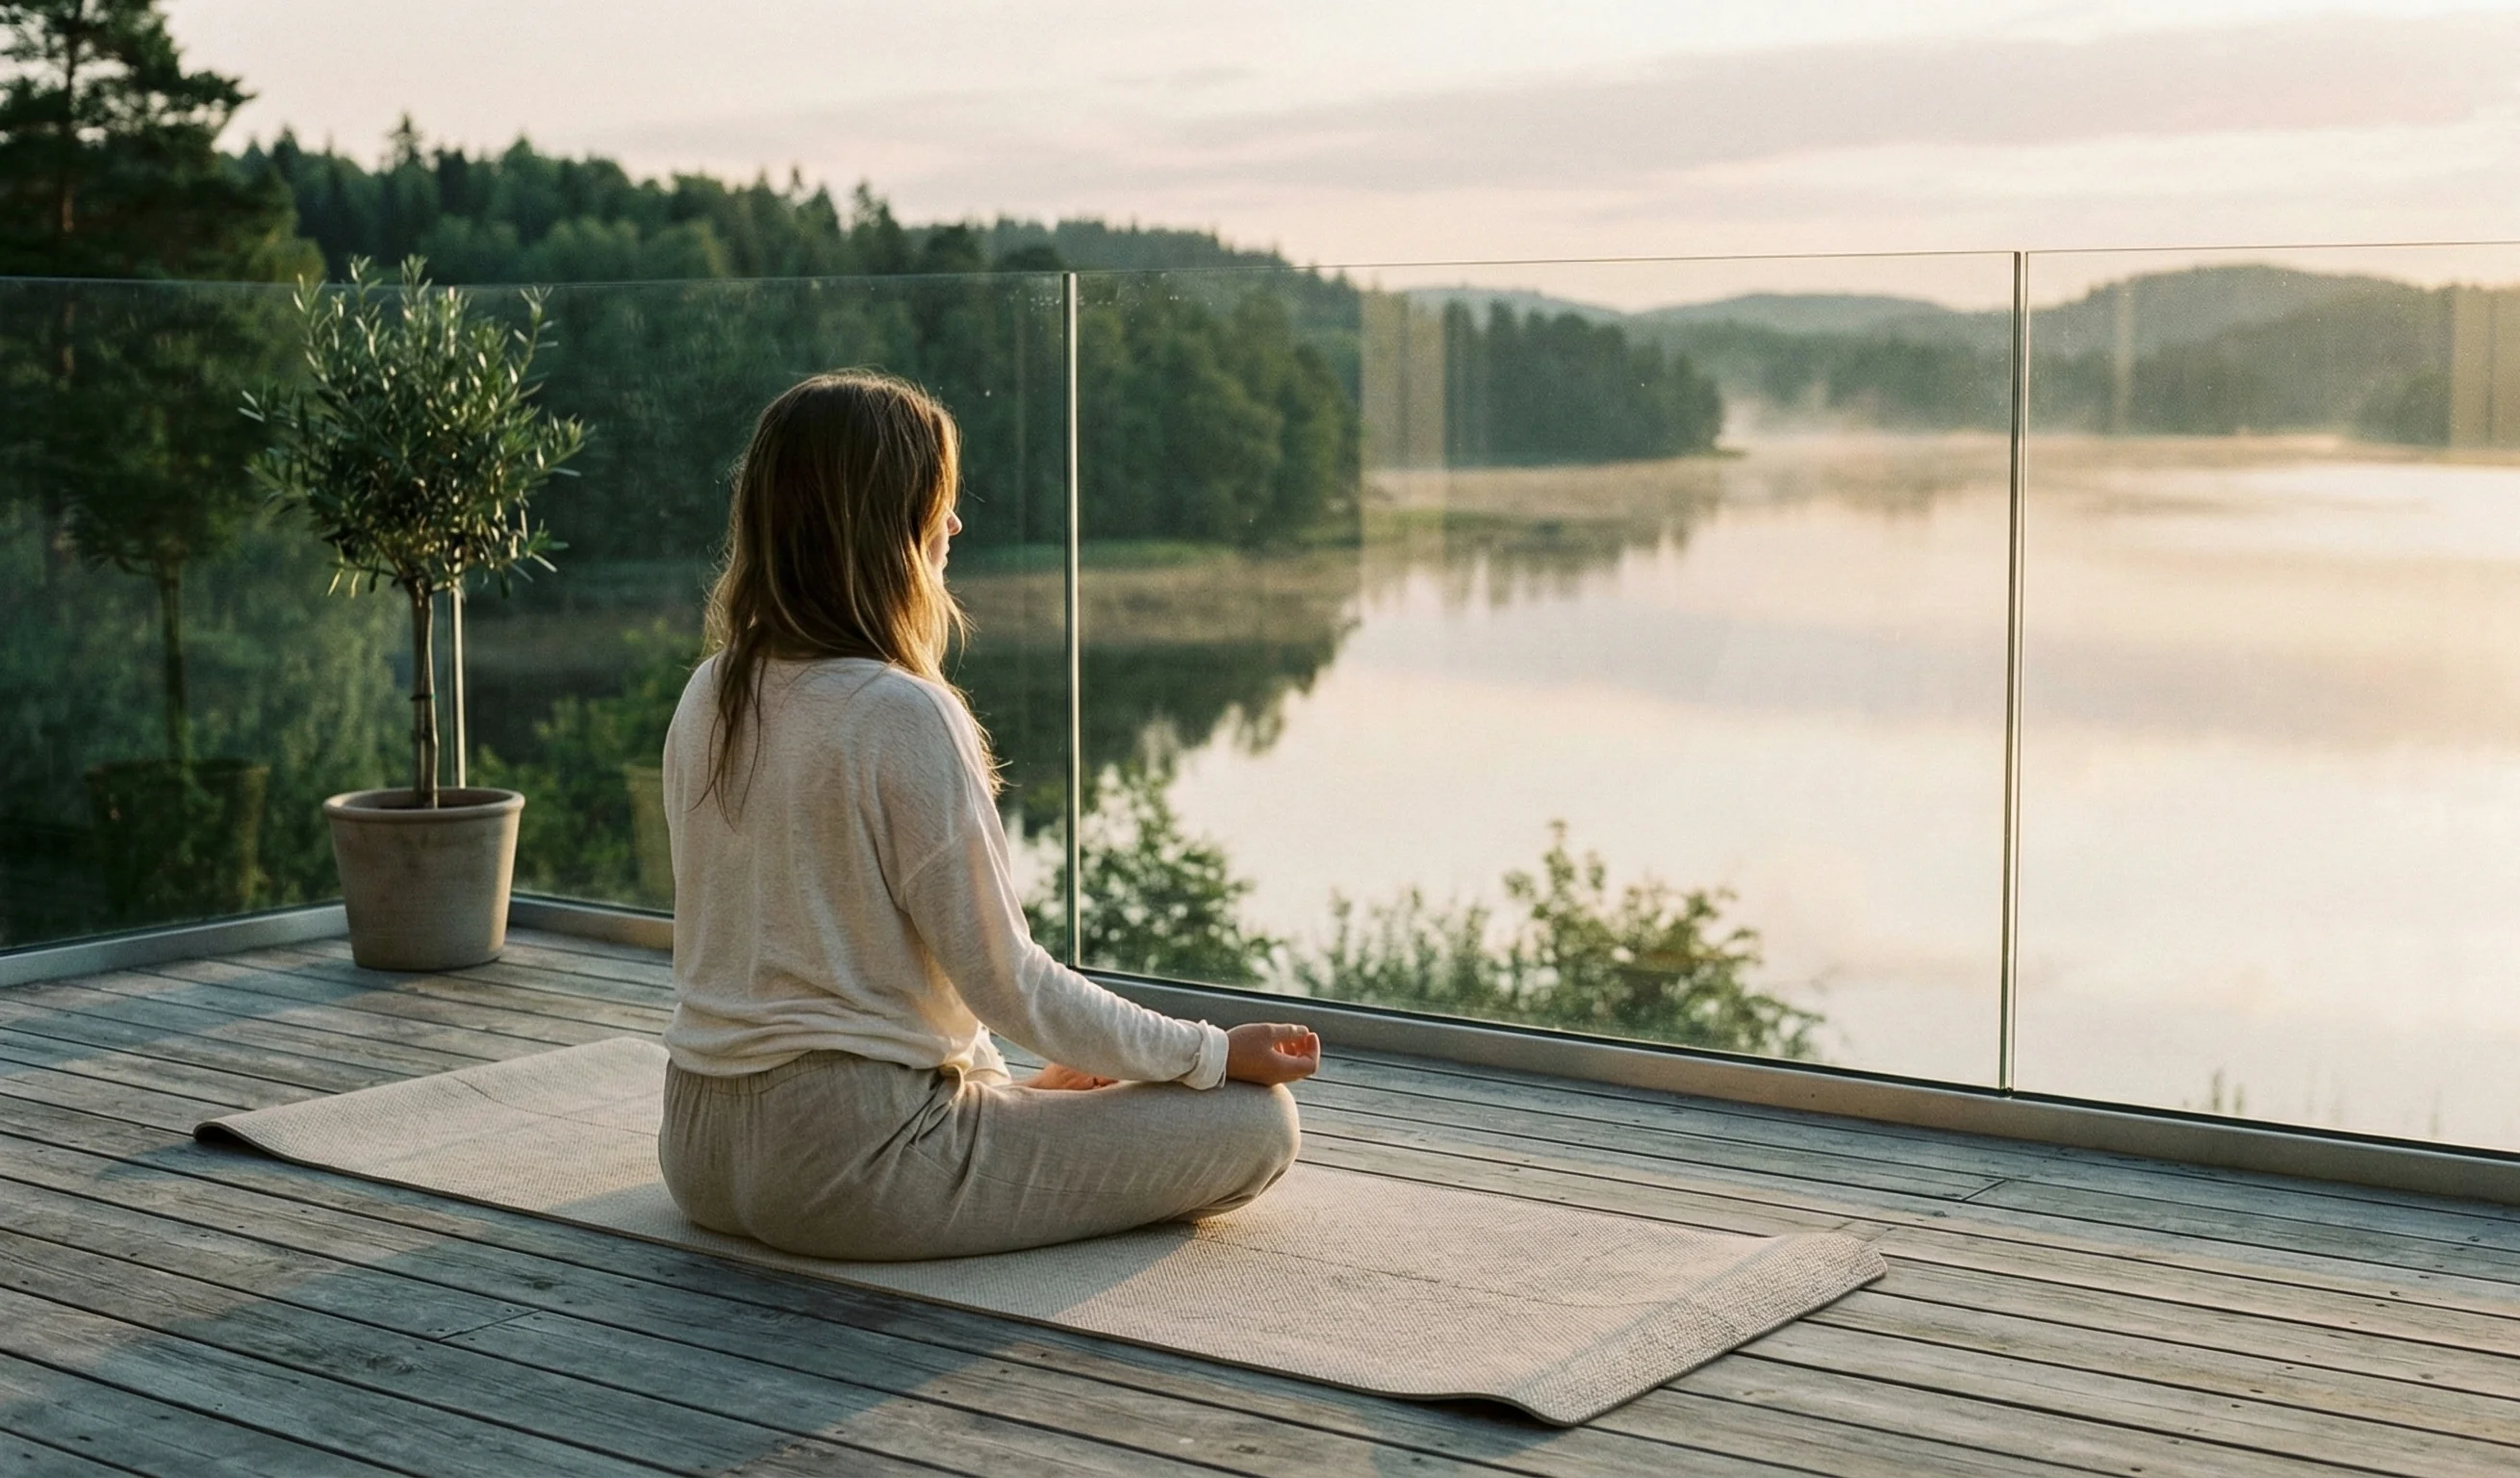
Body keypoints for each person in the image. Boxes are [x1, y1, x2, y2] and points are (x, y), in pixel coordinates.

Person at [656, 370, 1318, 1262]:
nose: (955, 525)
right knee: (1257, 1124)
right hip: (854, 1164)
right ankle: (1010, 1112)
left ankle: (1006, 1106)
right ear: (885, 525)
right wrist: (1209, 1053)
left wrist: (1006, 1085)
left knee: (1048, 1089)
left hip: (696, 1150)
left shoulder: (712, 691)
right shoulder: (900, 711)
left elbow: (825, 968)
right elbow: (1009, 982)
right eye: (938, 501)